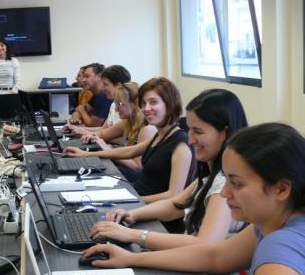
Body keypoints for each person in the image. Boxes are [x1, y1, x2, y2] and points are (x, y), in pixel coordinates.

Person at [82, 123, 305, 275]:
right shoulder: (270, 224)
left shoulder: (281, 246)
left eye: (236, 184)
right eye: (226, 180)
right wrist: (132, 258)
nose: (225, 192)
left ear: (281, 189)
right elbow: (215, 256)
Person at [89, 89, 248, 253]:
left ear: (225, 132)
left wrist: (133, 235)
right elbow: (176, 205)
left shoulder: (224, 183)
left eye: (198, 132)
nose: (191, 139)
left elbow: (204, 244)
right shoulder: (211, 173)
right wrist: (131, 214)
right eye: (191, 130)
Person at [65, 77, 193, 205]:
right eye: (143, 103)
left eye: (153, 102)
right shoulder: (162, 135)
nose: (146, 108)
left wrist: (130, 200)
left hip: (149, 209)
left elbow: (174, 196)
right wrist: (85, 154)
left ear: (170, 104)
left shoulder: (180, 145)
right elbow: (129, 151)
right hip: (137, 195)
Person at [67, 82, 156, 181]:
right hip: (133, 170)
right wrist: (87, 133)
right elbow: (103, 133)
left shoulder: (146, 128)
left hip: (143, 177)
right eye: (115, 103)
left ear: (134, 104)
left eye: (120, 104)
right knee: (98, 166)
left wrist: (107, 149)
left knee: (103, 170)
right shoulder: (127, 122)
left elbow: (137, 167)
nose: (116, 109)